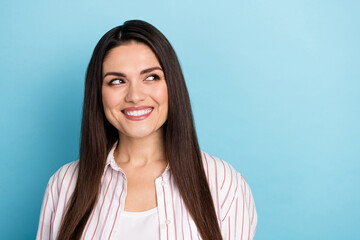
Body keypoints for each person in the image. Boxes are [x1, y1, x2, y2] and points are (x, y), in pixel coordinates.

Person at [36, 20, 257, 240]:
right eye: (116, 81)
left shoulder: (222, 182)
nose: (135, 95)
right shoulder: (64, 184)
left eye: (151, 77)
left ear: (172, 85)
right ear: (98, 94)